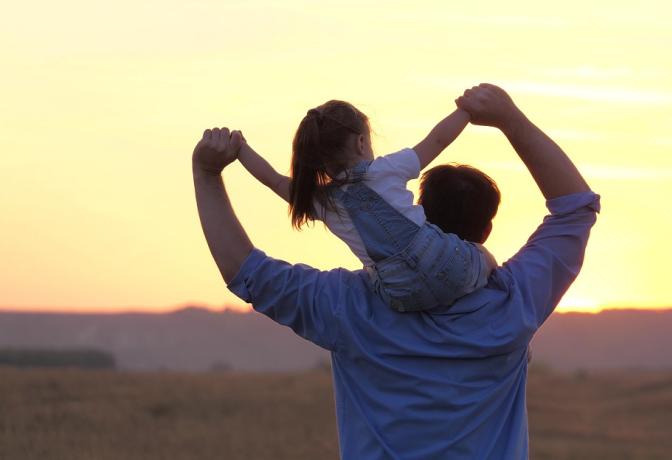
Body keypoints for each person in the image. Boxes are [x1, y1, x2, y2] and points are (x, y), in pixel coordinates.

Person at [192, 83, 600, 459]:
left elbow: (245, 271)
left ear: (419, 214)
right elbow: (576, 209)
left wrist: (208, 173)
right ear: (486, 229)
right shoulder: (514, 304)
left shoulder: (346, 307)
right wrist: (509, 118)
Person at [232, 101, 496, 312]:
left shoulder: (322, 202)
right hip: (449, 264)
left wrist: (240, 149)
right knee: (481, 256)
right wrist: (466, 110)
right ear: (361, 143)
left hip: (401, 296)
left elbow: (274, 180)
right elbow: (438, 140)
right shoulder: (387, 168)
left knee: (372, 277)